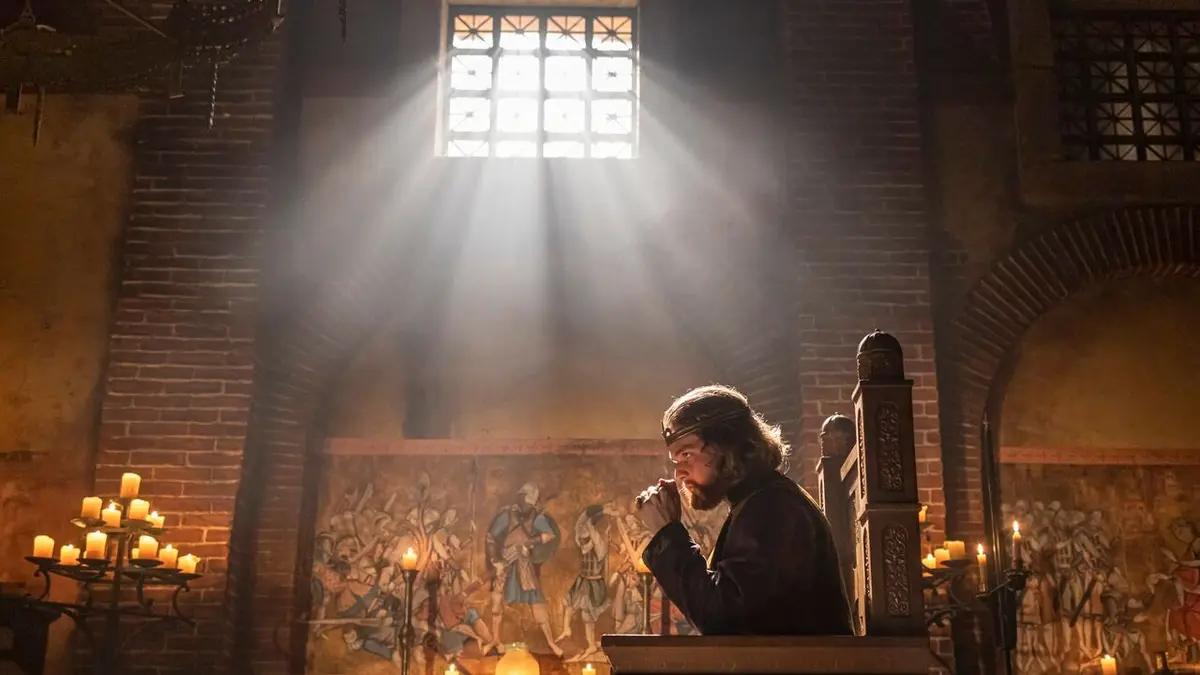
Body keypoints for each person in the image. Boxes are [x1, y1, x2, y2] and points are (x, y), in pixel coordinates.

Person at [634, 384, 854, 635]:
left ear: (727, 444)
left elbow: (726, 619)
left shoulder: (772, 507)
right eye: (676, 460)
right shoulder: (759, 501)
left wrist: (668, 534)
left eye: (687, 455)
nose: (680, 473)